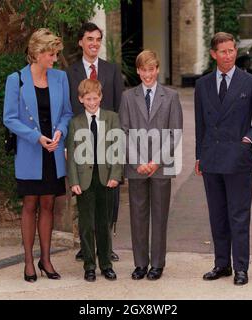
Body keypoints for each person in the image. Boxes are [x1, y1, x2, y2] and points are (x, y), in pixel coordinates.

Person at [194, 32, 252, 286]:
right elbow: (200, 124)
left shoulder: (250, 82)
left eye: (232, 50)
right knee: (217, 215)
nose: (229, 55)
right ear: (214, 54)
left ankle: (241, 268)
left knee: (238, 215)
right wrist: (199, 156)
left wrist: (248, 140)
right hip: (212, 158)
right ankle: (221, 264)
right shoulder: (202, 85)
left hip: (238, 159)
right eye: (223, 51)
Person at [3, 28, 73, 282]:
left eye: (55, 55)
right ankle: (28, 262)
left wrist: (59, 133)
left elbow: (66, 113)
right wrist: (37, 137)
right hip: (30, 151)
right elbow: (9, 118)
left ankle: (46, 259)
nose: (54, 59)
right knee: (30, 203)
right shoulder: (16, 80)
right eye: (51, 54)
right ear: (38, 53)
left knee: (48, 204)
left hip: (52, 152)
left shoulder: (60, 78)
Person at [119, 50, 183, 281]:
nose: (148, 74)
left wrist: (156, 161)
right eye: (143, 70)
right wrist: (137, 162)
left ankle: (157, 264)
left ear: (158, 69)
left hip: (161, 166)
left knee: (159, 215)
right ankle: (140, 264)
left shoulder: (171, 96)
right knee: (137, 215)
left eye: (152, 69)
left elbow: (175, 133)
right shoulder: (128, 97)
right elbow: (123, 132)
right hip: (136, 167)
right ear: (138, 71)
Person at [66, 22, 124, 262]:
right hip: (82, 143)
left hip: (107, 144)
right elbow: (68, 108)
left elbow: (119, 107)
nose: (95, 43)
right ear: (80, 42)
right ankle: (86, 247)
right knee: (85, 198)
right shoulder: (70, 73)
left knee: (108, 200)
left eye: (98, 39)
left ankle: (106, 247)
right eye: (90, 39)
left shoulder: (112, 70)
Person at [67, 79, 122, 282]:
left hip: (106, 179)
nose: (92, 102)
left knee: (104, 223)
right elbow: (72, 155)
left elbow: (118, 149)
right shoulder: (75, 123)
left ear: (101, 97)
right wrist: (73, 181)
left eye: (95, 98)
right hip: (84, 181)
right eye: (88, 99)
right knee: (86, 224)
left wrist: (116, 175)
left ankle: (106, 264)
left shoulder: (112, 118)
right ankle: (89, 265)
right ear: (81, 99)